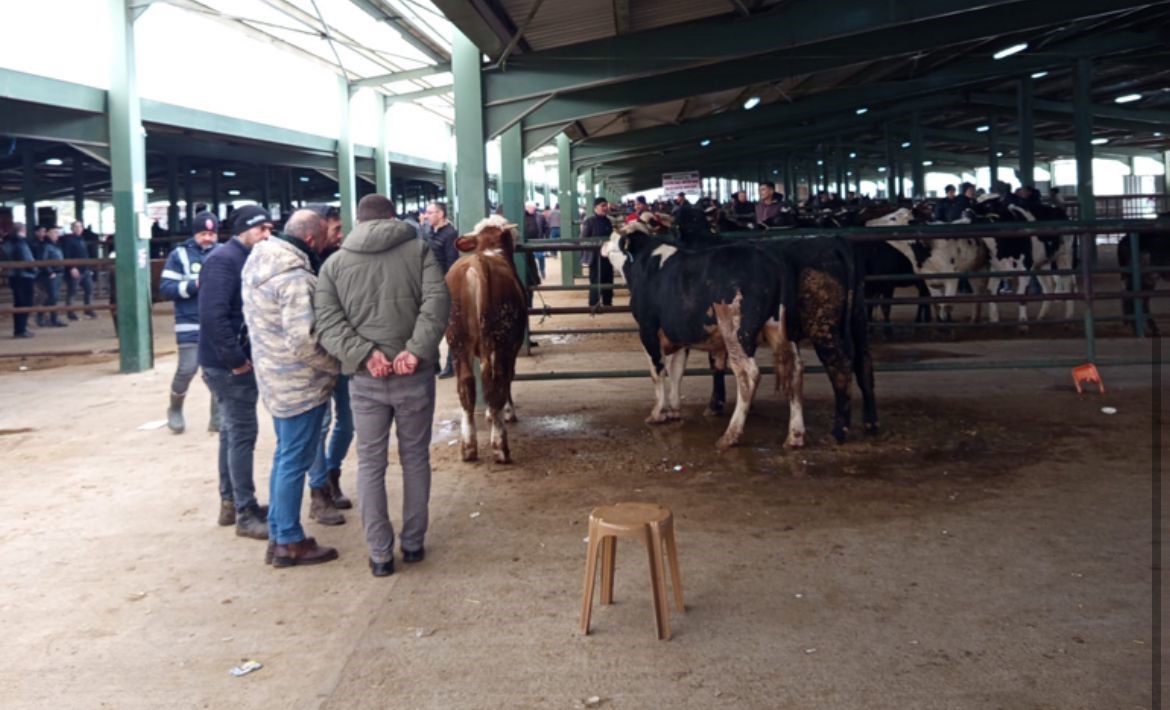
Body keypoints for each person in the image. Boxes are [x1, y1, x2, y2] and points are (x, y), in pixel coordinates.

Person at [315, 194, 449, 578]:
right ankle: (413, 543)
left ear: (358, 221)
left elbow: (327, 321)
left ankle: (379, 555)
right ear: (392, 217)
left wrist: (364, 354)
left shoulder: (334, 264)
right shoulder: (420, 250)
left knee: (371, 465)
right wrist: (415, 350)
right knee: (415, 458)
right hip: (414, 374)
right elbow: (437, 302)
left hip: (366, 379)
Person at [243, 210, 342, 568]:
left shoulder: (258, 262)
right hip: (299, 382)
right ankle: (288, 541)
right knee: (294, 460)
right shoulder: (296, 278)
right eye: (328, 237)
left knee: (285, 455)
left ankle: (278, 532)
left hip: (273, 377)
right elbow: (305, 340)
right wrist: (338, 365)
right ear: (312, 240)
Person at [198, 205, 272, 539]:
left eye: (269, 229)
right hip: (227, 365)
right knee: (242, 432)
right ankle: (245, 511)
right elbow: (213, 316)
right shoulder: (224, 261)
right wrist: (236, 359)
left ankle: (231, 503)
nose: (267, 236)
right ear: (244, 230)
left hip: (229, 361)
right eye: (261, 230)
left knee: (231, 431)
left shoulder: (239, 258)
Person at [303, 202, 354, 514]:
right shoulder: (301, 263)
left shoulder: (342, 258)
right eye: (336, 229)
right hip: (316, 355)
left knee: (348, 422)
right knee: (320, 424)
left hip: (344, 353)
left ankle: (333, 474)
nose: (341, 234)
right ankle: (318, 490)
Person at [160, 211, 221, 434]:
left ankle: (218, 416)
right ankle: (175, 409)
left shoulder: (223, 253)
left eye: (212, 234)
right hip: (189, 322)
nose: (208, 238)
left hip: (216, 323)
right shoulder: (179, 255)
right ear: (195, 233)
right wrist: (194, 285)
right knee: (187, 368)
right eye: (204, 233)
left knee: (215, 371)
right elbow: (166, 289)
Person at [423, 201, 458, 379]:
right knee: (429, 325)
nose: (426, 215)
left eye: (430, 213)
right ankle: (434, 364)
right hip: (429, 284)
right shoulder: (428, 231)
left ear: (440, 214)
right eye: (427, 212)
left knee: (448, 325)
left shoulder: (451, 234)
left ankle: (451, 365)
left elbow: (452, 264)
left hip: (444, 285)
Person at [2, 222, 37, 338]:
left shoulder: (7, 243)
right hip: (24, 275)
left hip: (13, 275)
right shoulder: (21, 242)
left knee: (18, 302)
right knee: (25, 302)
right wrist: (34, 270)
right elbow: (27, 258)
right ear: (23, 230)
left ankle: (19, 328)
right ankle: (21, 329)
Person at [581, 197, 614, 308]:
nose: (605, 208)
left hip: (608, 256)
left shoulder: (608, 220)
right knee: (595, 279)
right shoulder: (589, 221)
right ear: (595, 208)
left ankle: (607, 303)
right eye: (602, 206)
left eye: (606, 205)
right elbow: (583, 239)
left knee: (608, 278)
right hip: (595, 257)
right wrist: (593, 246)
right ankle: (594, 304)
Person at [61, 221, 96, 320]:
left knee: (89, 289)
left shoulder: (81, 239)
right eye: (76, 227)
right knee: (72, 291)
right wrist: (72, 267)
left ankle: (88, 309)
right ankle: (70, 312)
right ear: (72, 228)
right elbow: (66, 254)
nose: (78, 228)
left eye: (80, 226)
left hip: (84, 269)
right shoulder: (68, 240)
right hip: (75, 269)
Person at [37, 226, 66, 328]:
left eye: (57, 232)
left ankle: (51, 318)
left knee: (54, 297)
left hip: (57, 273)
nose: (56, 234)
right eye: (54, 232)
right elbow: (43, 260)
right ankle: (44, 316)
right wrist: (49, 272)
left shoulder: (55, 245)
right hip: (51, 274)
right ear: (48, 233)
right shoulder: (46, 246)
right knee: (52, 297)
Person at [522, 201, 548, 282]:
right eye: (531, 208)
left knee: (541, 256)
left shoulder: (540, 216)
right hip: (526, 242)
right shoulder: (522, 216)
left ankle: (542, 270)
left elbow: (545, 227)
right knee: (528, 258)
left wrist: (545, 236)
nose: (533, 209)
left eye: (534, 208)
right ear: (526, 208)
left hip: (538, 240)